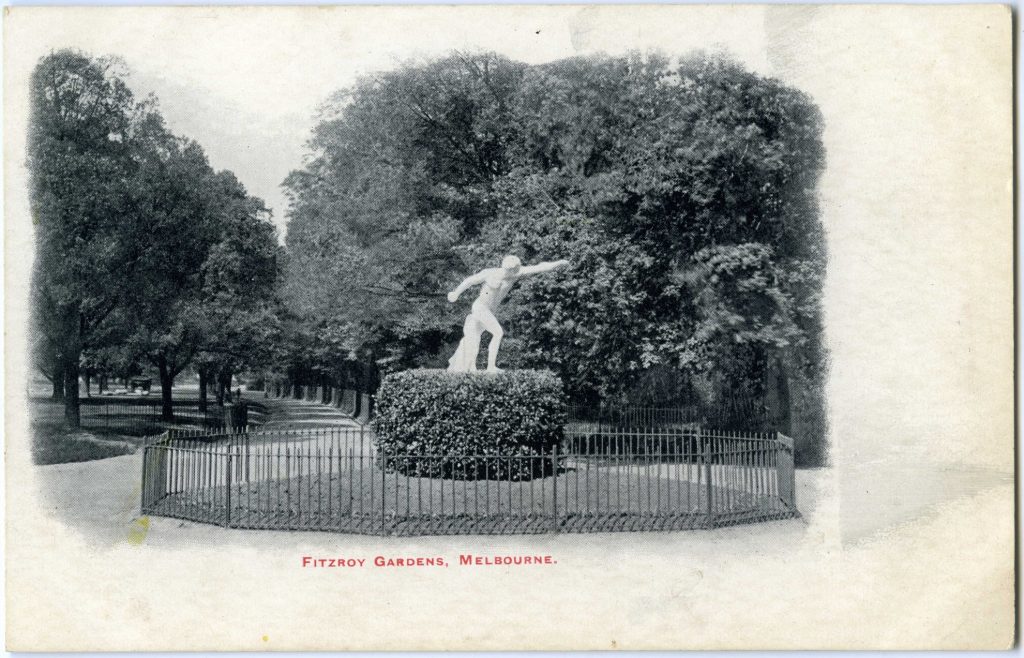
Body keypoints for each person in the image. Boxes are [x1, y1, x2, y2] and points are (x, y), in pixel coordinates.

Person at [446, 255, 570, 372]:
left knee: (473, 337)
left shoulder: (516, 273)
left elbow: (539, 267)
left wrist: (558, 263)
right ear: (507, 268)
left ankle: (470, 366)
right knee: (498, 333)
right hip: (480, 308)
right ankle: (491, 367)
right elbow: (470, 281)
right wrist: (456, 293)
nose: (514, 273)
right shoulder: (490, 273)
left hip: (489, 310)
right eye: (512, 271)